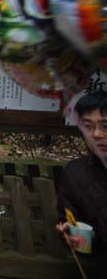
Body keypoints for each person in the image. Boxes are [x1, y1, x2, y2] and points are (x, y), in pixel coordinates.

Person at [56, 90, 107, 275]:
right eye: (88, 126)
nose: (97, 134)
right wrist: (73, 237)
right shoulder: (75, 174)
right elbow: (74, 224)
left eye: (105, 126)